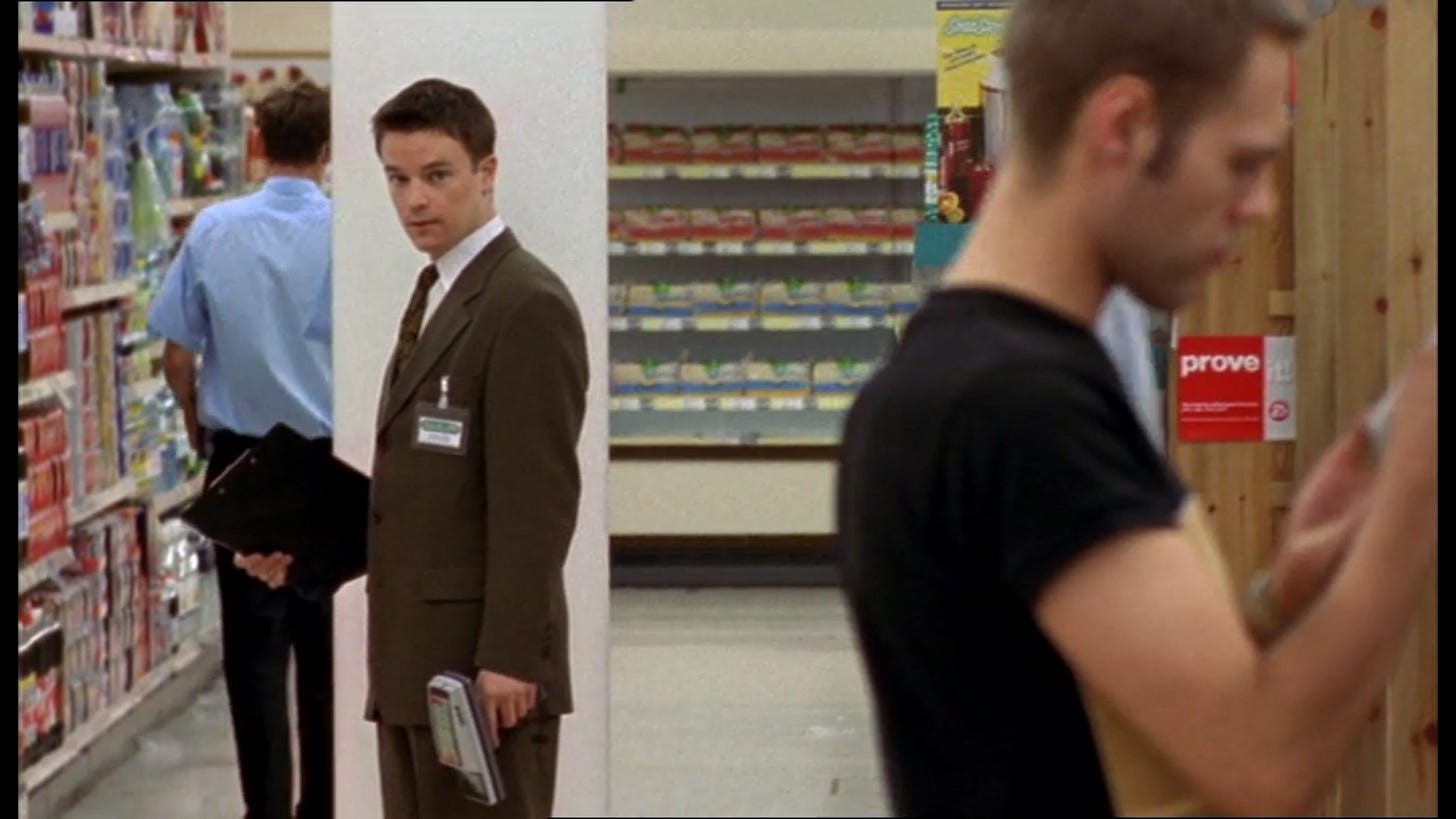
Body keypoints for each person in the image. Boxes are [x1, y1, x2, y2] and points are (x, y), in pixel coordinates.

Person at [836, 2, 1438, 816]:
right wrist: (1415, 492)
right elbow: (1264, 766)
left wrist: (1288, 597)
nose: (1260, 204)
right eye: (1241, 163)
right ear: (1125, 124)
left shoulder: (963, 376)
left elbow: (1094, 721)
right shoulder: (1021, 409)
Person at [246, 77, 589, 819]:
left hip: (477, 673)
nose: (415, 201)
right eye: (397, 179)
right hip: (415, 663)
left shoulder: (524, 303)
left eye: (437, 176)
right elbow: (432, 493)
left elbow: (539, 502)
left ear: (486, 172)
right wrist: (310, 554)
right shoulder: (437, 289)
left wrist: (508, 652)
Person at [149, 80, 335, 819]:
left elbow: (176, 356)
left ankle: (266, 809)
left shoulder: (214, 229)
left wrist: (202, 435)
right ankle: (323, 804)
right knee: (326, 650)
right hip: (331, 463)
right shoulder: (353, 229)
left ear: (256, 142)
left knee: (255, 655)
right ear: (328, 149)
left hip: (244, 458)